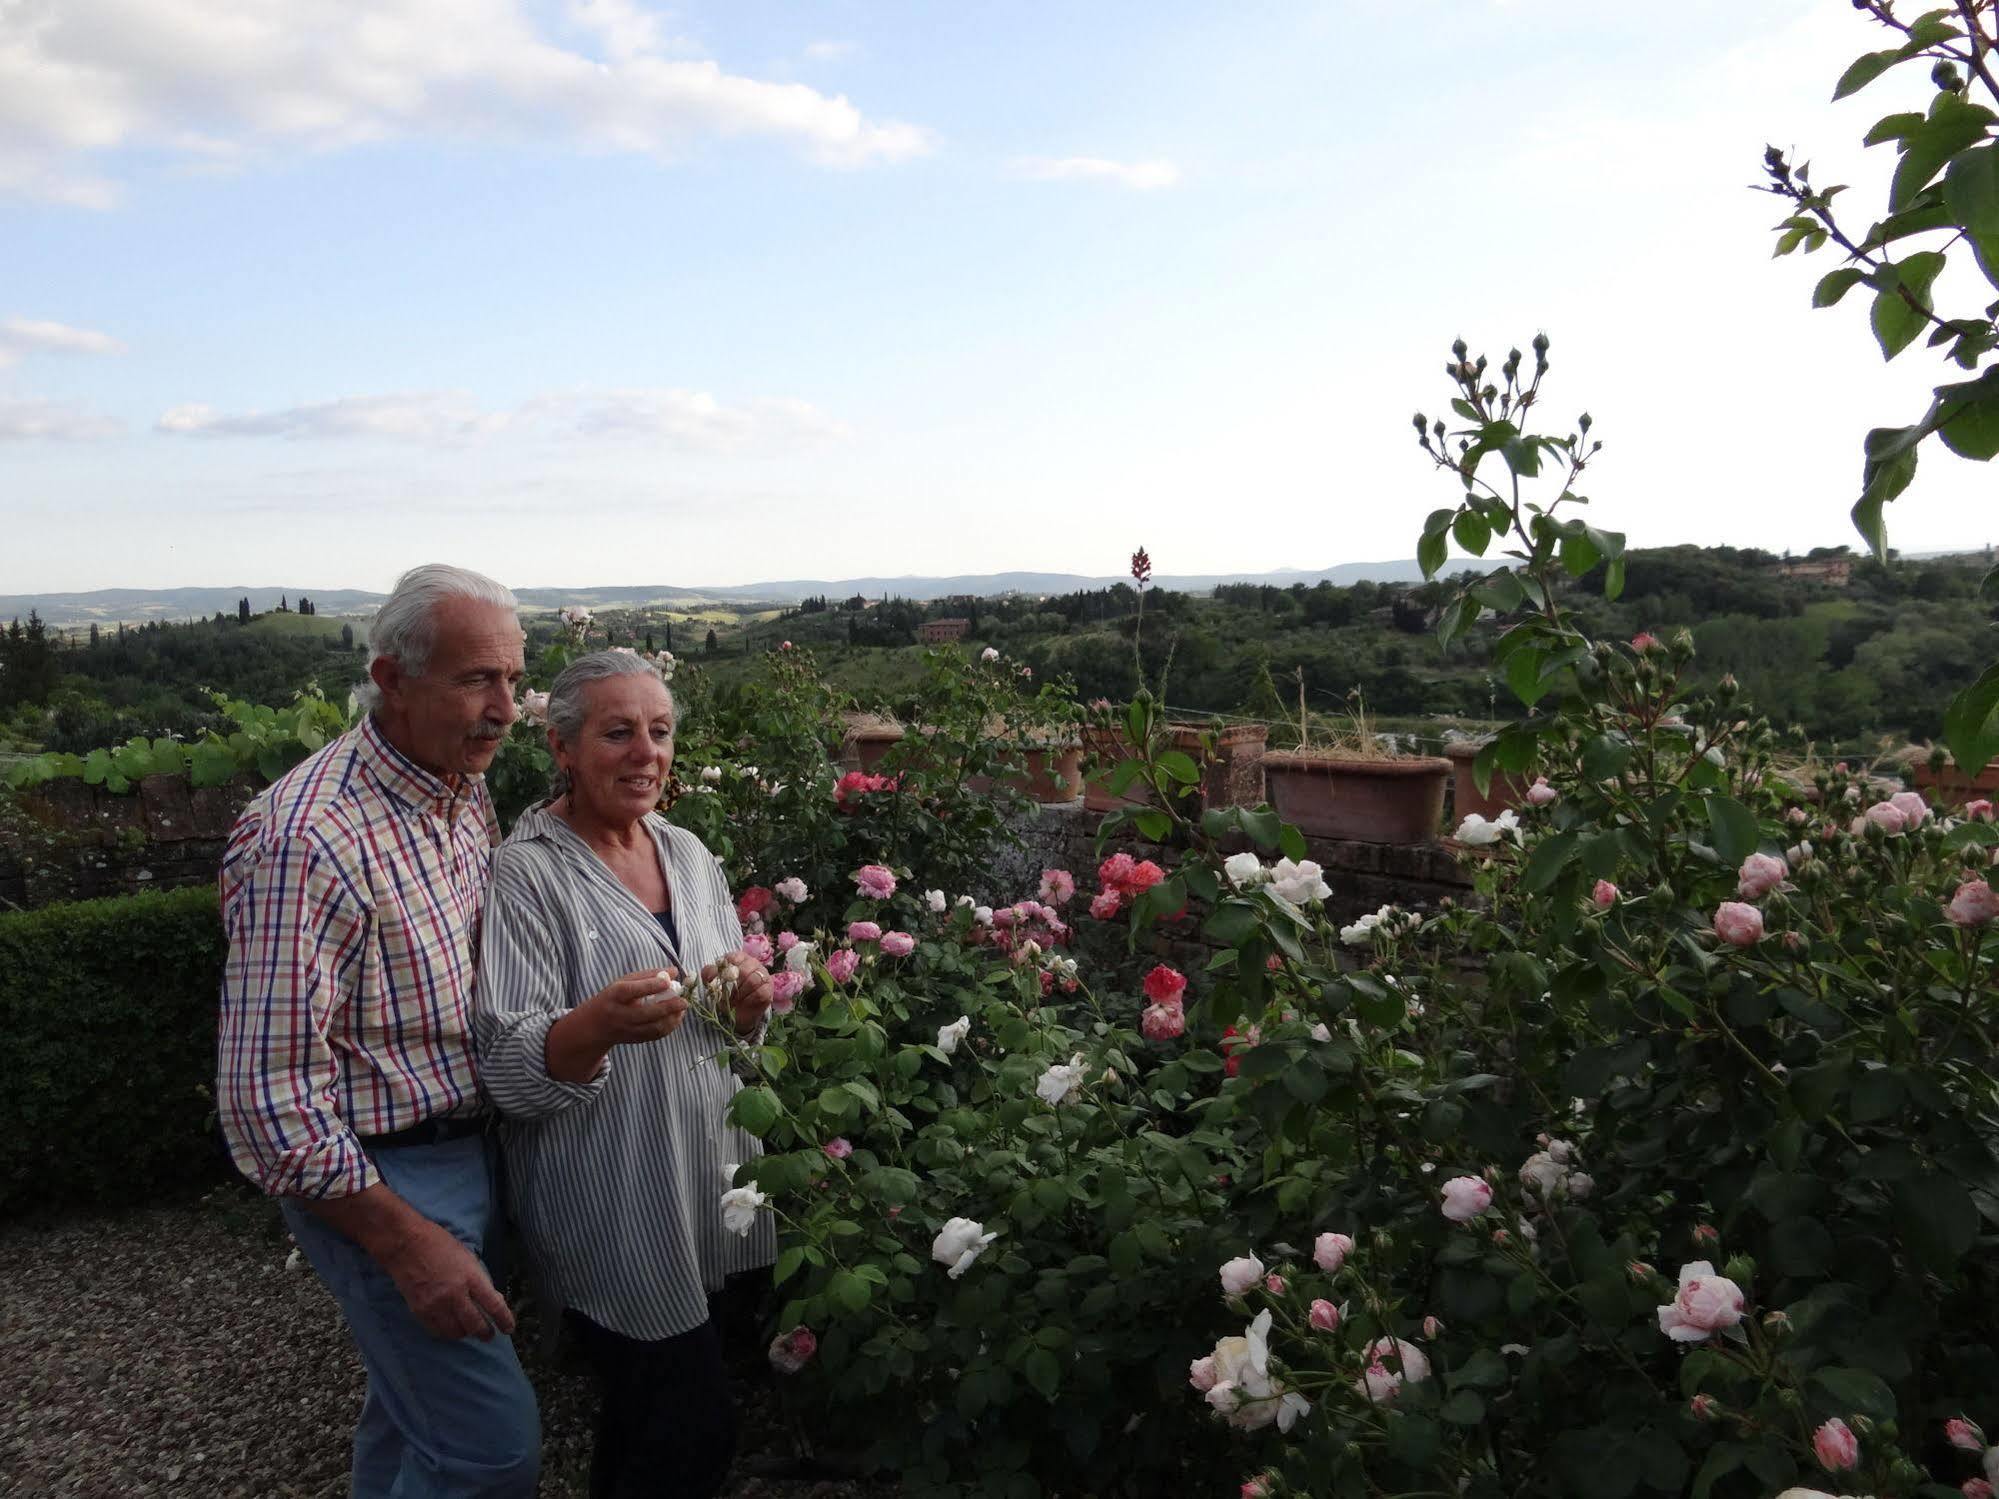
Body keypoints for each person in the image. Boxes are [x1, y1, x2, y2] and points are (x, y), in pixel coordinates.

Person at [216, 563, 540, 1498]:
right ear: (391, 678)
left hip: (467, 1148)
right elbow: (265, 1100)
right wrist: (404, 1241)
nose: (507, 709)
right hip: (384, 1177)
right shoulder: (305, 839)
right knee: (490, 1451)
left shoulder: (454, 789)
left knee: (412, 1420)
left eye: (514, 680)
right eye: (478, 679)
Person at [475, 650, 777, 1499]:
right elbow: (505, 1061)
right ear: (562, 746)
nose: (645, 751)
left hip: (703, 1171)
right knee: (690, 1420)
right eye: (618, 732)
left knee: (649, 1416)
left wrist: (747, 1004)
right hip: (613, 1191)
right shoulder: (526, 872)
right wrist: (595, 1025)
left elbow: (727, 1025)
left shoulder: (686, 852)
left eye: (660, 730)